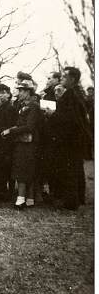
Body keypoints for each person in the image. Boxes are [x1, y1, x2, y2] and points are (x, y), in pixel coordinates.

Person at [49, 66, 92, 210]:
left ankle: (71, 202)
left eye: (63, 77)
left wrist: (52, 114)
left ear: (72, 79)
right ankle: (77, 199)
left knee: (70, 171)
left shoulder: (72, 96)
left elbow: (70, 119)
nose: (61, 79)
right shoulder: (74, 94)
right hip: (72, 141)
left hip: (71, 142)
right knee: (75, 170)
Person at [1, 78, 43, 209]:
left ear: (28, 92)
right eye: (19, 90)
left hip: (28, 142)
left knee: (24, 171)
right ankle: (28, 198)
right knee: (23, 170)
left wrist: (11, 130)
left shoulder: (33, 106)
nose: (19, 93)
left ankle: (22, 199)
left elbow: (29, 126)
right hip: (21, 141)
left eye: (22, 91)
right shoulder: (21, 105)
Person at [0, 84, 18, 202]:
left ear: (8, 94)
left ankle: (6, 193)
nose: (0, 95)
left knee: (5, 168)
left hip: (6, 142)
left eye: (3, 93)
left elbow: (11, 126)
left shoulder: (10, 108)